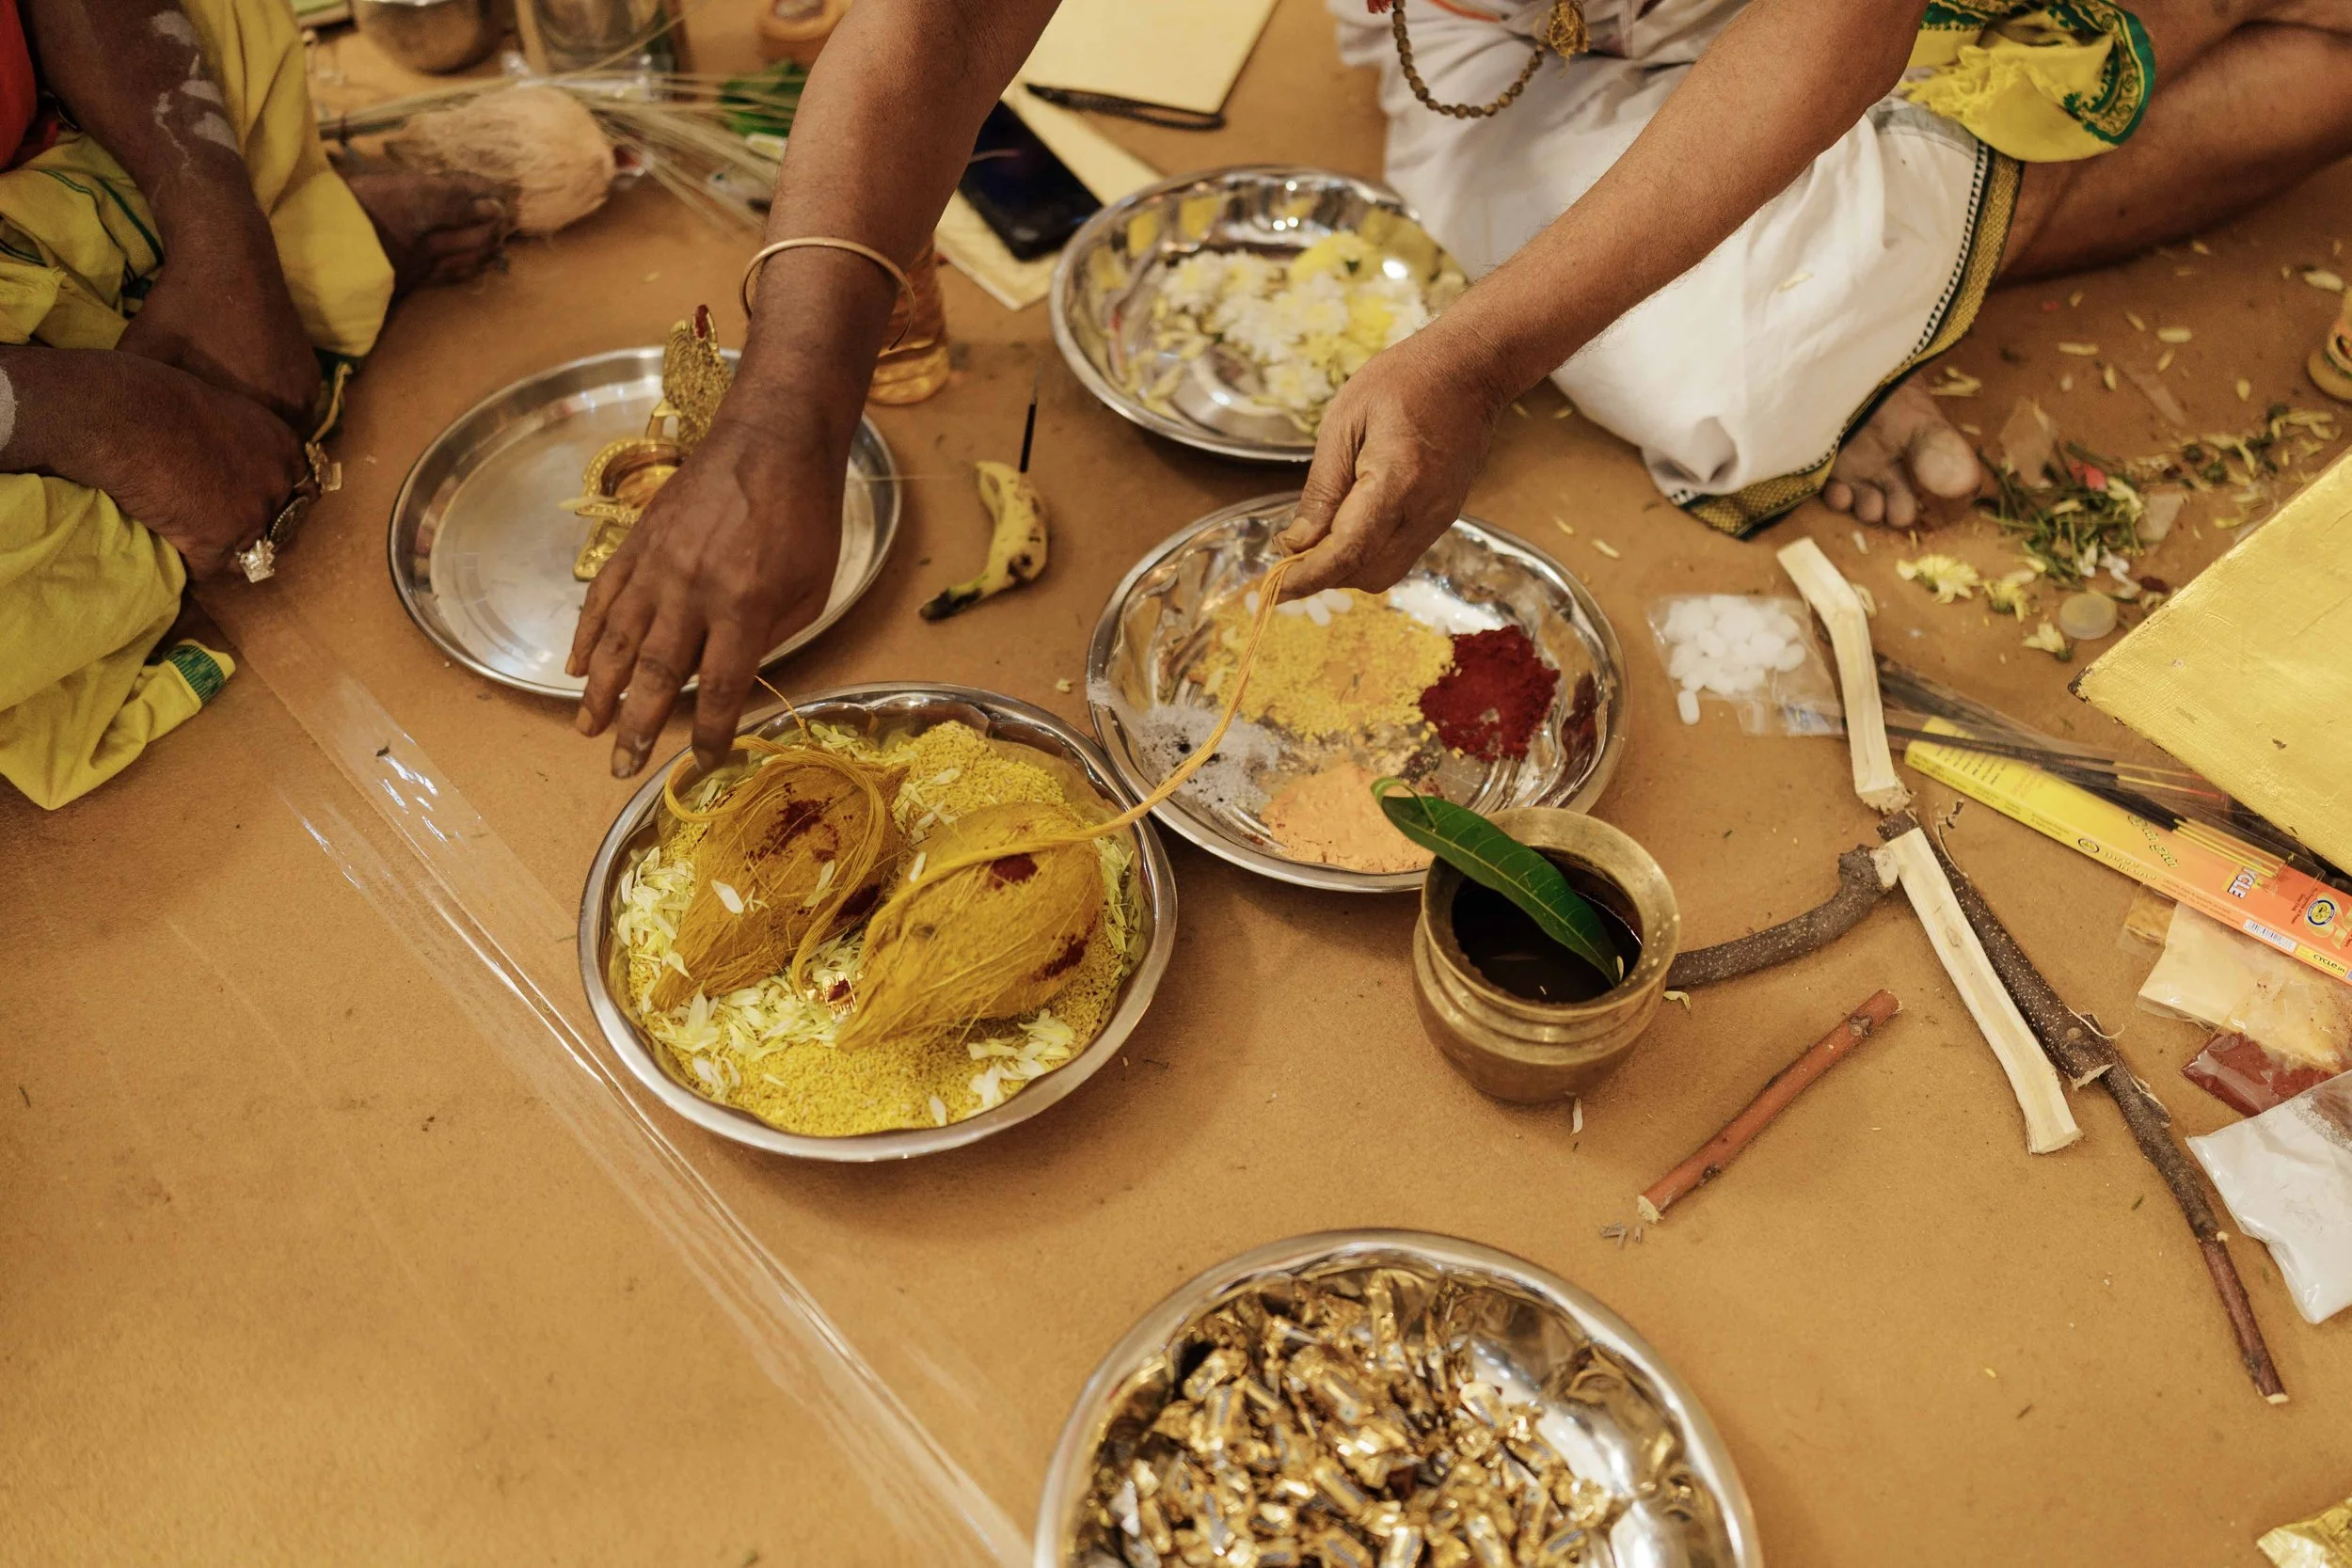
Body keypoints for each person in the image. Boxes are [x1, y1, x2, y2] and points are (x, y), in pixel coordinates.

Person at [570, 0, 2352, 783]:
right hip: (1510, 40)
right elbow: (937, 29)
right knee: (1720, 373)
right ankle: (1875, 254)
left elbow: (1838, 22)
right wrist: (784, 413)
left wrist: (1481, 355)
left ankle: (2136, 42)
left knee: (1725, 329)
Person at [0, 0, 504, 811]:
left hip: (57, 164)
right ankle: (316, 271)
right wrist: (111, 418)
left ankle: (255, 282)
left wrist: (218, 232)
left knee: (220, 24)